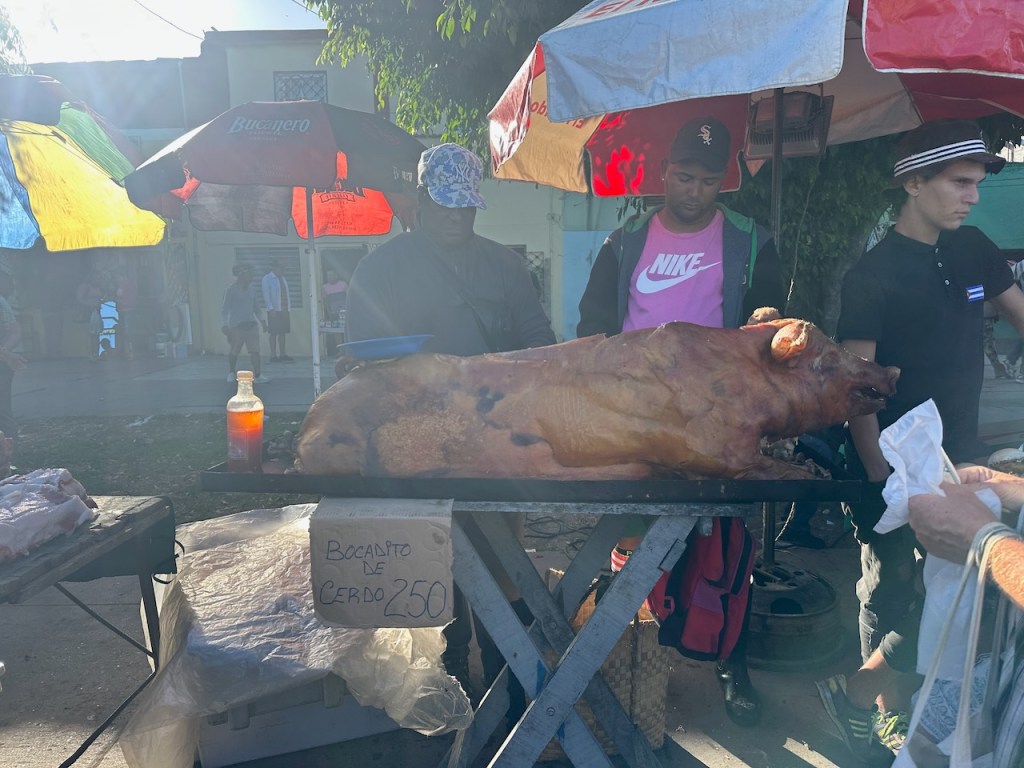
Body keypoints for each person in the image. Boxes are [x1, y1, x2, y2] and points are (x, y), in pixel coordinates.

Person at [819, 119, 1024, 764]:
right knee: (893, 587)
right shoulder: (872, 275)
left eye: (977, 184)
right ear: (912, 183)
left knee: (963, 591)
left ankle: (869, 698)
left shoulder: (975, 250)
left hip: (965, 458)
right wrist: (880, 477)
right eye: (959, 183)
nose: (972, 197)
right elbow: (859, 387)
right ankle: (875, 710)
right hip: (892, 459)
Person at [577, 115, 785, 727]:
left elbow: (772, 323)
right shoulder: (625, 241)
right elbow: (593, 324)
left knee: (727, 538)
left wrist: (767, 325)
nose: (694, 191)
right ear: (664, 173)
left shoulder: (752, 240)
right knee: (631, 532)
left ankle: (729, 659)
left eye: (707, 181)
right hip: (636, 417)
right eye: (684, 177)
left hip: (720, 416)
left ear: (723, 181)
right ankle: (626, 648)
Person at [345, 142, 556, 705]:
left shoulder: (504, 265)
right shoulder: (380, 268)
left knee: (500, 559)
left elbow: (538, 340)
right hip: (412, 439)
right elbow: (361, 354)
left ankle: (509, 686)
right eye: (445, 205)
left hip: (492, 437)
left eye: (466, 207)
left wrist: (519, 376)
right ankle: (450, 677)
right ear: (419, 200)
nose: (457, 218)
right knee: (432, 563)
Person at [222, 265, 268, 384]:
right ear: (242, 275)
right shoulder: (231, 290)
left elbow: (256, 308)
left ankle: (258, 375)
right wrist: (225, 325)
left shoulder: (252, 289)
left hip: (251, 325)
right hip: (236, 326)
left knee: (255, 351)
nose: (252, 277)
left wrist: (262, 321)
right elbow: (225, 309)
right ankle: (231, 372)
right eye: (249, 274)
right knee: (234, 351)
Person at [0, 272, 26, 453]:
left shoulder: (1, 303)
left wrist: (3, 350)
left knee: (2, 410)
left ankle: (10, 453)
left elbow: (16, 332)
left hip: (2, 364)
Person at [261, 257, 292, 362]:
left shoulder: (283, 278)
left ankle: (283, 354)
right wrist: (270, 308)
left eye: (283, 268)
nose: (282, 270)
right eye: (280, 268)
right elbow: (266, 295)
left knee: (283, 332)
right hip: (274, 310)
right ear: (274, 267)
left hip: (284, 309)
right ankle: (273, 355)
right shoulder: (267, 278)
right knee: (273, 333)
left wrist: (288, 308)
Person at [75, 268, 104, 360]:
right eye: (97, 276)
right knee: (91, 334)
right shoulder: (84, 286)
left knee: (97, 334)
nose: (99, 278)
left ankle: (97, 353)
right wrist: (90, 304)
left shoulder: (98, 286)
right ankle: (91, 354)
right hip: (89, 312)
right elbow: (79, 299)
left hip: (97, 311)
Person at [983, 300, 1010, 378]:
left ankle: (998, 367)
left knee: (987, 343)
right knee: (987, 343)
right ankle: (998, 367)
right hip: (982, 313)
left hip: (982, 314)